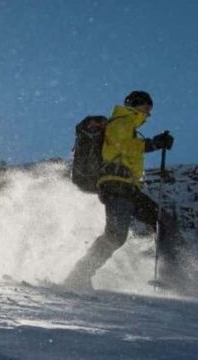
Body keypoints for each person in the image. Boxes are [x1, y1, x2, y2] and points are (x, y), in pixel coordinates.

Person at [64, 91, 175, 290]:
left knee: (162, 222)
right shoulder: (121, 121)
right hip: (116, 185)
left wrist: (151, 144)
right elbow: (119, 146)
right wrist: (152, 144)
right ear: (136, 104)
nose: (149, 114)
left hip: (127, 187)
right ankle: (79, 275)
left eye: (150, 110)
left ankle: (170, 275)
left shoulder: (129, 125)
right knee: (116, 235)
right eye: (146, 108)